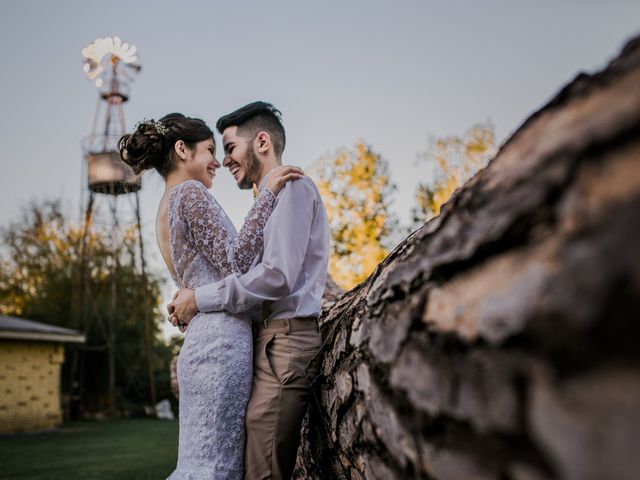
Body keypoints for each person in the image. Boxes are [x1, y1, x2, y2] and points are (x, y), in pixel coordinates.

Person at [118, 113, 302, 480]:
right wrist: (266, 196)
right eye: (209, 151)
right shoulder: (190, 192)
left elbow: (197, 279)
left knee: (201, 462)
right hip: (221, 343)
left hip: (202, 341)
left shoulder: (164, 207)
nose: (217, 161)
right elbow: (236, 261)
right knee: (216, 467)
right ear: (181, 150)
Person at [168, 102, 329, 480]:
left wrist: (200, 300)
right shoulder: (268, 199)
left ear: (261, 141)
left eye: (229, 147)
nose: (224, 161)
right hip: (268, 342)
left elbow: (276, 277)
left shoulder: (292, 188)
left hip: (286, 342)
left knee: (263, 470)